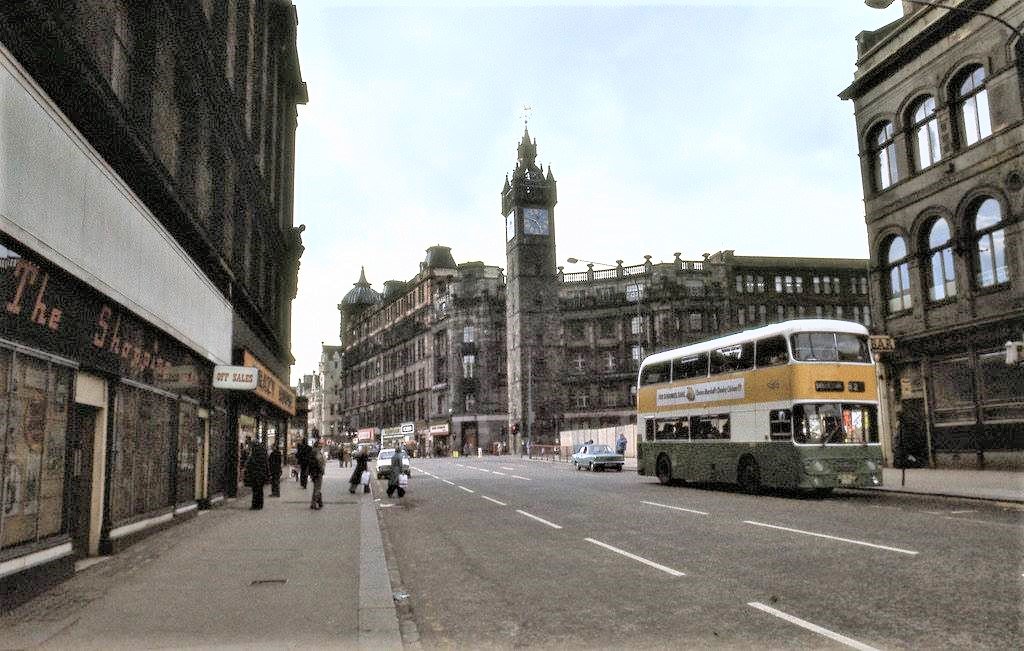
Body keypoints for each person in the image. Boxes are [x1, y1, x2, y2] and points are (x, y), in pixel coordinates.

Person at [243, 439, 268, 510]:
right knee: (260, 490)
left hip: (255, 475)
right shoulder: (263, 453)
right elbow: (266, 464)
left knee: (255, 490)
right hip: (261, 474)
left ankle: (255, 505)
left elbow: (250, 464)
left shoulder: (254, 454)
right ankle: (260, 505)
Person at [309, 440, 326, 510]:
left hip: (313, 472)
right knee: (317, 488)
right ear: (318, 445)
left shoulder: (312, 452)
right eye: (320, 445)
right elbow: (319, 462)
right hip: (318, 472)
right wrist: (322, 470)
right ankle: (314, 504)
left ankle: (320, 502)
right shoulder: (317, 452)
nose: (321, 446)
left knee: (316, 487)